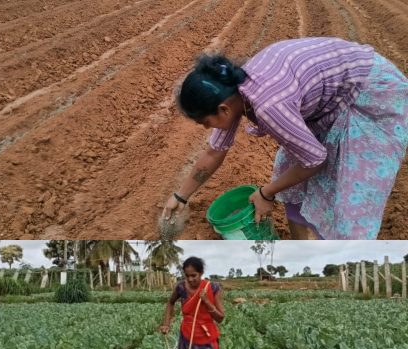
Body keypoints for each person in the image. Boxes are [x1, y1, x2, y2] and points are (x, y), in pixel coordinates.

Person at [160, 38, 408, 239]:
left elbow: (315, 161)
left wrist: (266, 193)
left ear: (224, 109)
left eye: (205, 122)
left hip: (369, 94)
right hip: (329, 99)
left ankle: (341, 259)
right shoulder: (234, 91)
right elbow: (214, 151)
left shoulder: (269, 106)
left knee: (349, 199)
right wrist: (180, 197)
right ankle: (301, 248)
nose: (205, 128)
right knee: (288, 175)